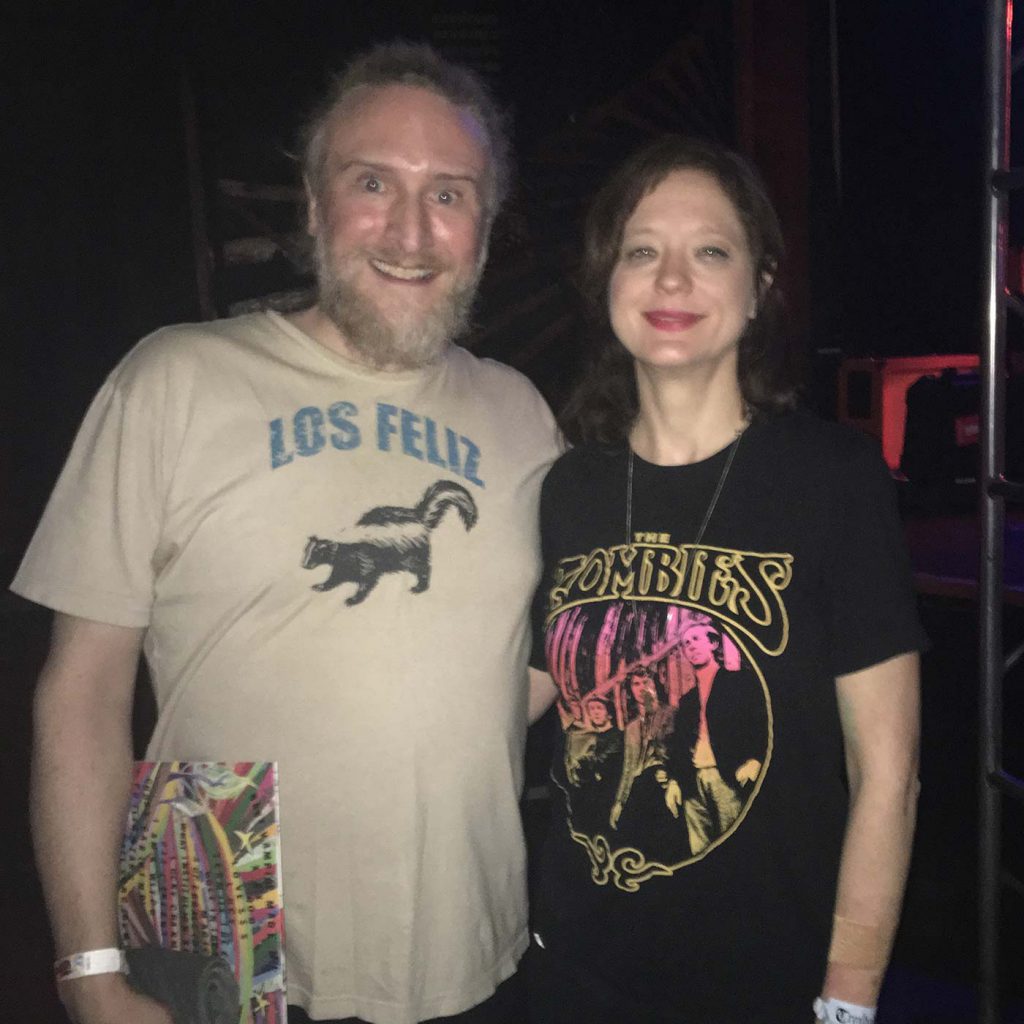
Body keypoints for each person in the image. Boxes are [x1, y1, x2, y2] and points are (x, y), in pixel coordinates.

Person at [13, 42, 561, 1024]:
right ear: (313, 207)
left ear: (483, 227)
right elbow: (82, 693)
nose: (410, 230)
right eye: (371, 183)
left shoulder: (520, 412)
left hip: (467, 948)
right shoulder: (174, 380)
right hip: (224, 941)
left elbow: (541, 651)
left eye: (448, 194)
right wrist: (90, 973)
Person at [526, 135, 924, 1024]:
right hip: (572, 969)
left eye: (710, 251)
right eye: (641, 251)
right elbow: (523, 691)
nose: (671, 279)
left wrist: (848, 999)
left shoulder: (832, 479)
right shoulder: (570, 486)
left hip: (764, 986)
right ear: (607, 281)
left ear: (760, 287)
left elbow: (888, 775)